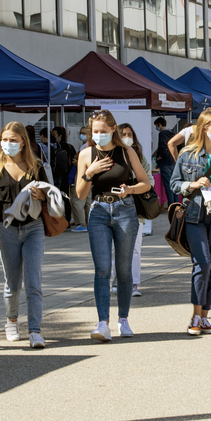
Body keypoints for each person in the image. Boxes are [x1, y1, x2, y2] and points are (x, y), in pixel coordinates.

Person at [74, 110, 152, 342]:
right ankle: (102, 322)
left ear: (113, 130)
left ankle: (124, 319)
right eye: (95, 132)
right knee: (102, 269)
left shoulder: (126, 152)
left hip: (125, 210)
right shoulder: (86, 154)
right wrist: (89, 174)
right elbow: (80, 194)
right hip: (98, 211)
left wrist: (130, 189)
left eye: (103, 131)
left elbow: (146, 183)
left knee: (124, 269)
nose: (99, 135)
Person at [0, 122, 48, 349]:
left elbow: (51, 196)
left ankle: (35, 331)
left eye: (13, 140)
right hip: (7, 229)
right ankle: (12, 320)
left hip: (33, 228)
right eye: (5, 140)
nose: (8, 144)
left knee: (33, 281)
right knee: (12, 283)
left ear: (23, 142)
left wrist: (42, 195)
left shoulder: (35, 167)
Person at [169, 108, 211, 335]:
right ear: (204, 128)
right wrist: (192, 185)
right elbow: (174, 184)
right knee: (203, 263)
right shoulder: (187, 154)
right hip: (193, 217)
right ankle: (196, 315)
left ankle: (206, 316)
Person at [111, 123, 154, 296]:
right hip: (114, 207)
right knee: (114, 248)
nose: (127, 137)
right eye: (123, 134)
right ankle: (116, 280)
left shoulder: (140, 158)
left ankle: (134, 283)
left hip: (135, 207)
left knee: (134, 248)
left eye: (130, 134)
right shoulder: (111, 156)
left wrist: (134, 184)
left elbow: (149, 181)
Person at [50, 126, 76, 224]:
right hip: (66, 176)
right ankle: (67, 219)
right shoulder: (69, 146)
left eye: (54, 135)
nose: (52, 137)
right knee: (64, 198)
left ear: (60, 136)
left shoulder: (58, 147)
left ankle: (65, 219)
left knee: (62, 198)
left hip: (61, 176)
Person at [70, 126, 92, 233]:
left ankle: (82, 223)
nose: (81, 134)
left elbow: (81, 160)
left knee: (77, 199)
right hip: (92, 175)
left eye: (83, 133)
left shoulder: (85, 146)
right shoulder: (95, 145)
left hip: (83, 173)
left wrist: (76, 162)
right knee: (88, 200)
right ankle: (89, 222)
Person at [154, 117, 177, 207]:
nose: (157, 128)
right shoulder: (172, 133)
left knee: (168, 185)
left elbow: (163, 146)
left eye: (156, 126)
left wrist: (160, 156)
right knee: (174, 184)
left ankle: (171, 205)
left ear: (159, 124)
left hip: (165, 162)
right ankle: (176, 204)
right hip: (173, 161)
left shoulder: (162, 134)